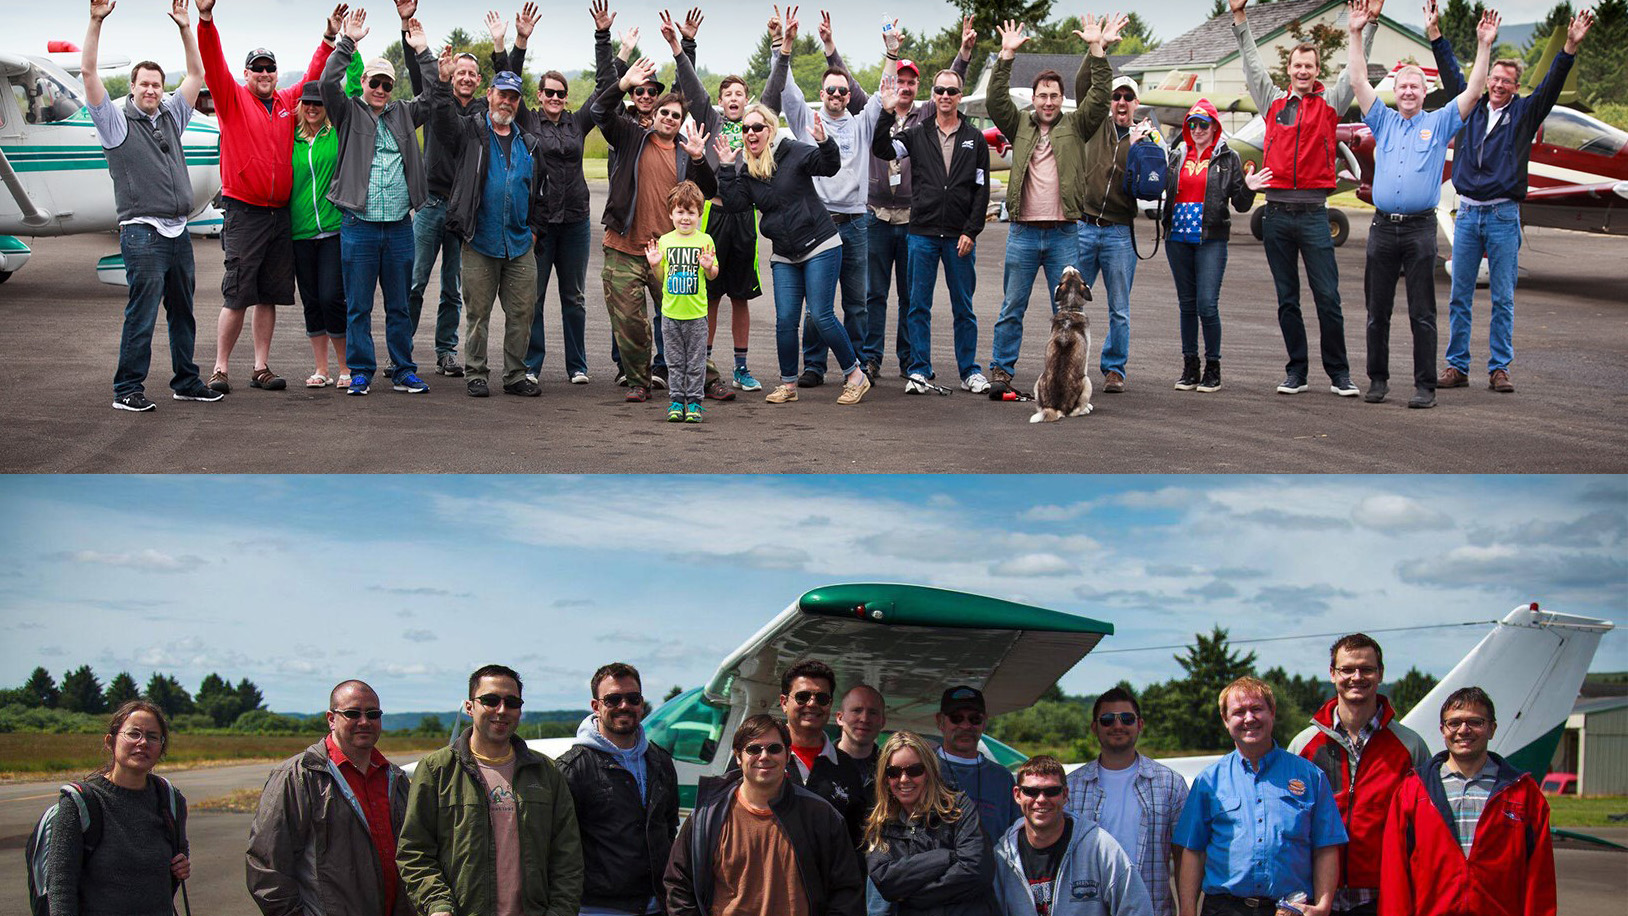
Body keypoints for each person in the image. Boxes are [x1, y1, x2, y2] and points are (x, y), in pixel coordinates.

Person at [1432, 4, 1594, 394]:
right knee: (1459, 297)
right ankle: (1457, 366)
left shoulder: (1524, 114)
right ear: (1487, 80)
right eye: (1495, 78)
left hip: (1504, 217)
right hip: (1468, 216)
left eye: (1507, 81)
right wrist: (1437, 37)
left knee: (1503, 298)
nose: (1499, 85)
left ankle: (1499, 369)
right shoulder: (1469, 106)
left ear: (1515, 88)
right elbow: (1452, 73)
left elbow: (1551, 86)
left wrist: (1569, 47)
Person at [1348, 1, 1495, 409]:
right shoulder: (1382, 120)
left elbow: (1474, 91)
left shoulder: (1441, 121)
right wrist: (1356, 32)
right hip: (1381, 228)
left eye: (1415, 86)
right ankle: (1377, 381)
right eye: (1402, 87)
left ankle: (1424, 387)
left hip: (1418, 230)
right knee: (1377, 312)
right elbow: (1359, 79)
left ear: (1424, 91)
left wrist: (1484, 46)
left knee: (1422, 313)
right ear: (1394, 93)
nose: (1408, 91)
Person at [1231, 0, 1379, 397]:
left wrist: (1369, 25)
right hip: (1276, 214)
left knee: (1328, 297)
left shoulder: (1331, 103)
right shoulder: (1272, 102)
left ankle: (1340, 374)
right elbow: (1251, 64)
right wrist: (1241, 18)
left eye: (1309, 66)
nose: (1302, 71)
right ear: (1289, 69)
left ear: (1317, 71)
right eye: (1296, 65)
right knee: (1287, 300)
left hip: (1315, 215)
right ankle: (1296, 371)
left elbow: (1356, 71)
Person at [83, 0, 220, 413]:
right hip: (142, 232)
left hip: (178, 231)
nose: (151, 90)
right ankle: (127, 389)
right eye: (144, 84)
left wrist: (185, 27)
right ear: (132, 86)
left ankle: (186, 381)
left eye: (157, 85)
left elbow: (197, 74)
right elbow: (89, 73)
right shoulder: (115, 122)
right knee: (141, 314)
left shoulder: (171, 117)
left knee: (184, 312)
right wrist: (95, 20)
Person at [197, 0, 338, 395]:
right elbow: (213, 64)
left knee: (269, 295)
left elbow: (312, 76)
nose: (263, 73)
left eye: (269, 68)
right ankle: (221, 368)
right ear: (246, 74)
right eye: (256, 68)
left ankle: (260, 367)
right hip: (244, 211)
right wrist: (206, 20)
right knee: (238, 292)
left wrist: (328, 39)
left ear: (276, 74)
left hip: (280, 214)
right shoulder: (231, 99)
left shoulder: (285, 103)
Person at [984, 15, 1116, 396]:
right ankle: (1002, 372)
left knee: (1070, 314)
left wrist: (1096, 49)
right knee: (1012, 307)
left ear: (1061, 100)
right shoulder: (1020, 125)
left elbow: (1099, 96)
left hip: (1063, 234)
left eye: (1053, 96)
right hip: (1023, 232)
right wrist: (1006, 56)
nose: (1047, 101)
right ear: (1034, 98)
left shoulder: (1077, 125)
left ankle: (1072, 376)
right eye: (1041, 95)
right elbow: (995, 100)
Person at [761, 10, 890, 389]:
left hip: (855, 222)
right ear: (821, 95)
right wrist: (779, 46)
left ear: (849, 95)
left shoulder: (862, 123)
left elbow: (884, 93)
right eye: (830, 90)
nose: (836, 95)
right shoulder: (804, 121)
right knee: (818, 308)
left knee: (856, 303)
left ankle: (859, 364)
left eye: (842, 91)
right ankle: (814, 365)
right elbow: (784, 89)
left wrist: (891, 53)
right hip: (816, 225)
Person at [716, 102, 873, 406]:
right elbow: (734, 204)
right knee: (786, 321)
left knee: (821, 315)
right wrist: (725, 167)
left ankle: (855, 375)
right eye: (746, 129)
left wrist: (825, 142)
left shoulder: (794, 151)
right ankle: (788, 383)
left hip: (820, 246)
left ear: (770, 129)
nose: (751, 133)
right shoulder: (748, 171)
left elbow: (829, 166)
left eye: (757, 127)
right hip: (785, 254)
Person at [397, 664, 583, 916]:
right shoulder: (435, 770)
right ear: (470, 706)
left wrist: (560, 911)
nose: (502, 710)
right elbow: (414, 851)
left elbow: (567, 855)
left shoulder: (546, 772)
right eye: (491, 700)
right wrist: (438, 905)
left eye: (512, 702)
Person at [321, 9, 437, 397]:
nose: (381, 89)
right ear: (365, 82)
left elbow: (435, 95)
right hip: (360, 225)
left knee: (399, 305)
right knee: (358, 306)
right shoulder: (348, 111)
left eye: (387, 83)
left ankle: (403, 369)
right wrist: (347, 43)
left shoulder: (404, 113)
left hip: (401, 227)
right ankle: (360, 371)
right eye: (375, 82)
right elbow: (326, 82)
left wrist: (423, 52)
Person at [591, 56, 718, 404]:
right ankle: (638, 381)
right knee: (630, 323)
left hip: (669, 253)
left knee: (686, 320)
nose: (669, 119)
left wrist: (697, 158)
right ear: (654, 115)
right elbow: (598, 113)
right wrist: (621, 85)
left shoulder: (684, 153)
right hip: (623, 246)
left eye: (676, 116)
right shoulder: (631, 135)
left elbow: (707, 189)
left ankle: (708, 379)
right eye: (664, 113)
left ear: (680, 123)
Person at [1174, 677, 1347, 916]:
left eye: (1257, 709)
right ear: (1225, 720)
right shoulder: (1208, 782)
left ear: (1272, 713)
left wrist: (1323, 906)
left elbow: (1325, 847)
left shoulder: (1310, 777)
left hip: (1289, 908)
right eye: (1238, 712)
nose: (1249, 718)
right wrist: (1187, 911)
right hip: (1224, 908)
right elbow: (1194, 851)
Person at [514, 1, 620, 387]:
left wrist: (603, 37)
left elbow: (607, 90)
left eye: (561, 93)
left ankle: (577, 365)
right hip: (541, 223)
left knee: (574, 298)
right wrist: (520, 41)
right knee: (535, 298)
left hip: (575, 221)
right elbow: (510, 75)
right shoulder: (527, 120)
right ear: (539, 95)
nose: (556, 99)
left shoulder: (578, 122)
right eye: (550, 93)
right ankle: (532, 364)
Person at [665, 713, 865, 916]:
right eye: (753, 749)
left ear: (787, 755)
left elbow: (846, 892)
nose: (764, 756)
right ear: (737, 756)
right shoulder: (707, 815)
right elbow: (678, 884)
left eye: (774, 749)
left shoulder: (822, 815)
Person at [1378, 687, 1555, 916]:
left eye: (1475, 722)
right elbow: (1395, 874)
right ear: (1442, 730)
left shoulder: (1524, 794)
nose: (1463, 730)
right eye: (1454, 723)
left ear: (1492, 728)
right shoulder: (1412, 790)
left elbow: (1540, 877)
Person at [864, 17, 975, 381]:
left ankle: (912, 362)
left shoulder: (925, 115)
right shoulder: (885, 110)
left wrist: (964, 53)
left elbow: (950, 86)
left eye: (911, 82)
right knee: (875, 295)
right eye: (900, 81)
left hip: (914, 220)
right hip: (878, 216)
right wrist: (887, 55)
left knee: (912, 299)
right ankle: (872, 357)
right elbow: (880, 143)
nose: (906, 87)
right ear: (893, 85)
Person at [1288, 635, 1431, 916]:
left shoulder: (1410, 747)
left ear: (1380, 674)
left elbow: (1425, 828)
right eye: (1347, 669)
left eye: (1366, 669)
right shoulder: (1302, 746)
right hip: (1316, 898)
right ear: (1332, 674)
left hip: (1384, 896)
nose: (1357, 677)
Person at [871, 67, 992, 396]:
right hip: (922, 233)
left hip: (959, 237)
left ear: (960, 96)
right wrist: (885, 111)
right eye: (940, 90)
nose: (945, 96)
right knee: (918, 306)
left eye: (951, 91)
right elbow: (882, 150)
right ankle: (920, 370)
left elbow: (981, 190)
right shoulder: (917, 133)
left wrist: (972, 230)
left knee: (963, 307)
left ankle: (969, 371)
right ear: (933, 95)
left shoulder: (975, 138)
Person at [246, 680, 410, 916]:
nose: (364, 722)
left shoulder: (395, 778)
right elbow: (266, 866)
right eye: (353, 713)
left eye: (373, 714)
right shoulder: (297, 776)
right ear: (331, 719)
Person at [434, 62, 545, 399]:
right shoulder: (470, 132)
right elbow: (441, 121)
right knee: (477, 314)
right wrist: (442, 82)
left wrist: (535, 230)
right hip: (479, 241)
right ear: (489, 95)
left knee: (523, 312)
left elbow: (541, 191)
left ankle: (515, 375)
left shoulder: (528, 142)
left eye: (513, 97)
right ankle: (476, 373)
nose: (506, 102)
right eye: (502, 95)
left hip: (519, 243)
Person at [659, 9, 748, 400]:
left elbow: (778, 87)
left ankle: (742, 367)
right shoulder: (709, 118)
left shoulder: (756, 124)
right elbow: (691, 89)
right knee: (707, 292)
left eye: (738, 95)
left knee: (741, 294)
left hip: (744, 217)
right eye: (727, 94)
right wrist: (681, 48)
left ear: (747, 101)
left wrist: (782, 47)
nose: (732, 99)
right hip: (710, 213)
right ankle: (706, 365)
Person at [1159, 102, 1269, 394]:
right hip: (1177, 237)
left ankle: (1213, 367)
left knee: (1207, 304)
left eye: (1203, 125)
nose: (1197, 130)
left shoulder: (1228, 158)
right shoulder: (1177, 155)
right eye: (1192, 124)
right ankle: (1190, 365)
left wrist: (1249, 186)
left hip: (1211, 237)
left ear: (1214, 127)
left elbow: (1242, 205)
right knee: (1187, 305)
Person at [45, 700, 191, 916]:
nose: (142, 743)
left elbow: (179, 850)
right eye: (133, 734)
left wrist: (181, 864)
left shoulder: (170, 798)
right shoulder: (80, 803)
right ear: (110, 741)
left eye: (152, 737)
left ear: (161, 747)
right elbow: (61, 885)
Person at [556, 663, 680, 916]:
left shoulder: (660, 761)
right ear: (596, 706)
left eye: (632, 698)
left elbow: (668, 826)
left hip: (657, 904)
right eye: (613, 699)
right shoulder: (572, 768)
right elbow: (557, 847)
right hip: (597, 907)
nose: (624, 705)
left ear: (641, 703)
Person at [397, 0, 473, 381]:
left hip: (461, 211)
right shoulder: (432, 102)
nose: (466, 77)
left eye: (473, 73)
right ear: (450, 74)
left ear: (478, 80)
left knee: (451, 288)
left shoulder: (479, 114)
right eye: (460, 71)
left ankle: (446, 351)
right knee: (415, 281)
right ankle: (400, 351)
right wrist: (406, 23)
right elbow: (417, 70)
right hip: (429, 204)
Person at [1064, 687, 1189, 916]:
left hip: (1153, 909)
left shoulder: (1171, 783)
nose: (1117, 726)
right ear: (1095, 727)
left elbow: (1184, 856)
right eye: (1107, 720)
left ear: (1140, 724)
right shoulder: (1070, 787)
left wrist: (1187, 910)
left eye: (1127, 719)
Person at [996, 754, 1154, 916]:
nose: (1041, 799)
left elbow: (1137, 908)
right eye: (1031, 791)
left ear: (1065, 794)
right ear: (1017, 795)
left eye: (1052, 791)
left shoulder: (1101, 848)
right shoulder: (1002, 856)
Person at [864, 730, 997, 916]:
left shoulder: (957, 808)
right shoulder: (880, 823)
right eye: (893, 772)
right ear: (885, 778)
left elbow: (977, 871)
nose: (904, 779)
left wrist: (911, 898)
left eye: (914, 770)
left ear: (929, 771)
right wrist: (945, 857)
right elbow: (885, 881)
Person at [1076, 68, 1149, 395]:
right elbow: (1081, 87)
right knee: (1072, 302)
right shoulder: (1095, 125)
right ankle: (1072, 364)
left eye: (1127, 97)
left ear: (1137, 104)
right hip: (1085, 225)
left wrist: (1136, 149)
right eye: (1116, 96)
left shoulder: (1146, 138)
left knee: (1119, 307)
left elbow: (1148, 187)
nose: (1121, 102)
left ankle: (1114, 369)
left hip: (1119, 230)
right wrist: (1096, 52)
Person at [290, 80, 349, 390]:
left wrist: (349, 46)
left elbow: (352, 88)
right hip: (300, 233)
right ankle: (321, 368)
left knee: (331, 297)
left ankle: (344, 366)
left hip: (332, 230)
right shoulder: (291, 139)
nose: (312, 108)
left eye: (318, 103)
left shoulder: (336, 134)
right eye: (307, 103)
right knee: (311, 300)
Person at [646, 180, 721, 421]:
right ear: (671, 213)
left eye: (691, 212)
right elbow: (661, 278)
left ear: (699, 213)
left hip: (696, 316)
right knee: (675, 362)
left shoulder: (705, 240)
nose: (685, 218)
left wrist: (709, 268)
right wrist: (656, 265)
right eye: (680, 212)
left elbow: (712, 275)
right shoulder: (666, 241)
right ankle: (677, 401)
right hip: (671, 315)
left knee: (696, 363)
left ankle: (695, 403)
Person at [933, 686, 1021, 844]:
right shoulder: (920, 771)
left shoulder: (1002, 778)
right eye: (956, 718)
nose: (966, 726)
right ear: (940, 721)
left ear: (984, 722)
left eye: (974, 719)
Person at [836, 684, 887, 809]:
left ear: (883, 722)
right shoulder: (820, 764)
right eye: (857, 710)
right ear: (840, 718)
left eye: (873, 712)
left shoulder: (891, 771)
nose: (864, 719)